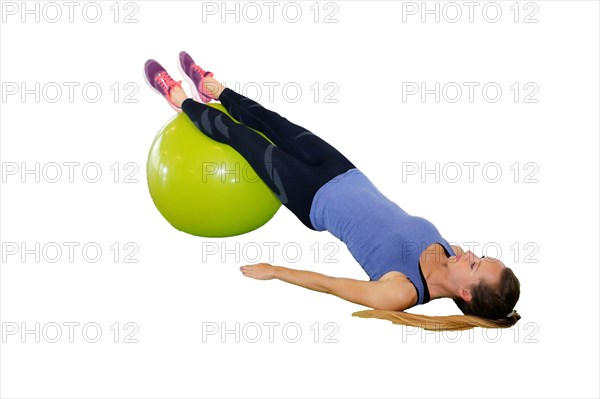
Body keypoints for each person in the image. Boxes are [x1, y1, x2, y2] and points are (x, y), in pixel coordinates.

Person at [144, 51, 521, 331]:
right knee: (274, 122)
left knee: (243, 139)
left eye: (476, 264)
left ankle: (178, 98)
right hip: (344, 172)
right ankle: (212, 87)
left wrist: (275, 270)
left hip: (311, 198)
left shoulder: (401, 292)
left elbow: (329, 285)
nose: (469, 253)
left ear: (466, 294)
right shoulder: (451, 255)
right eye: (481, 255)